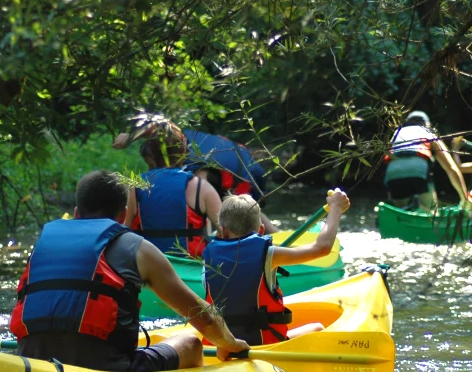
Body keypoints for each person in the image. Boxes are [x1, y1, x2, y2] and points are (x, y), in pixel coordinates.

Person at [10, 170, 248, 372]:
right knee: (192, 343)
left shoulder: (43, 244)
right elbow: (203, 317)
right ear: (124, 215)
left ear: (75, 213)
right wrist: (230, 342)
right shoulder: (139, 249)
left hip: (33, 362)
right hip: (109, 367)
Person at [202, 190, 350, 346]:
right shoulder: (269, 254)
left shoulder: (208, 259)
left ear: (223, 232)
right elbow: (322, 248)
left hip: (222, 348)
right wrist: (335, 208)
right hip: (264, 348)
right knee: (317, 327)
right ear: (261, 230)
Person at [115, 120, 222, 258]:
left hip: (147, 269)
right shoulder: (201, 188)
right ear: (183, 152)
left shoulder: (136, 187)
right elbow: (227, 232)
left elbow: (125, 233)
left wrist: (132, 136)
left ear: (150, 154)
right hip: (191, 270)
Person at [182, 129, 278, 233]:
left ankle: (275, 233)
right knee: (249, 210)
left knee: (236, 210)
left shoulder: (197, 170)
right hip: (234, 172)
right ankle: (276, 233)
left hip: (224, 175)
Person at [384, 110, 468, 210]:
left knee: (400, 210)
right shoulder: (428, 134)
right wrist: (465, 198)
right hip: (418, 171)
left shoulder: (396, 134)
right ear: (427, 124)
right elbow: (451, 168)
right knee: (431, 212)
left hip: (393, 173)